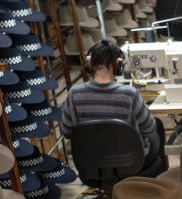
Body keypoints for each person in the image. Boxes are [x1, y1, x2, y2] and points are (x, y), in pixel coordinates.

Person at [61, 39, 166, 174]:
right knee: (157, 126)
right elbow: (149, 128)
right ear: (118, 66)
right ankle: (157, 187)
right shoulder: (129, 94)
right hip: (132, 164)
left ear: (89, 64)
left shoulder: (74, 94)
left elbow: (67, 132)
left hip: (91, 167)